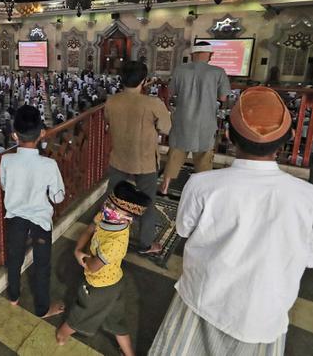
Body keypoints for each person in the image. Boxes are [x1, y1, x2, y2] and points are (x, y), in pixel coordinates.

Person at [149, 87, 313, 355]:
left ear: (227, 135)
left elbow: (182, 228)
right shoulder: (308, 198)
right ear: (290, 137)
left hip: (202, 300)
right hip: (263, 316)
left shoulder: (202, 184)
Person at [56, 181, 151, 356]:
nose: (107, 207)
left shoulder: (116, 242)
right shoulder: (108, 216)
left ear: (128, 215)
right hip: (115, 283)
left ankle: (62, 335)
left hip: (99, 287)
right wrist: (78, 250)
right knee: (116, 321)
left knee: (80, 313)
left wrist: (80, 257)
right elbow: (90, 228)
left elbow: (92, 267)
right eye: (109, 202)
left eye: (114, 206)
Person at [0, 105, 65, 318]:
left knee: (15, 258)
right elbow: (58, 197)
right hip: (40, 220)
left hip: (15, 218)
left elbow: (3, 185)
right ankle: (42, 308)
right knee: (42, 265)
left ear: (14, 135)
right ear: (42, 133)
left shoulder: (6, 160)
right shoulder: (49, 164)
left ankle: (13, 296)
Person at [105, 61, 171, 255]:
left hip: (118, 159)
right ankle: (145, 244)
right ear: (144, 80)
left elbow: (108, 120)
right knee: (148, 203)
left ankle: (108, 236)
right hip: (145, 163)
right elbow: (166, 128)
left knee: (113, 199)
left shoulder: (111, 101)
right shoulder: (153, 104)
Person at [158, 41, 231, 196]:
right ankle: (202, 192)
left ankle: (165, 186)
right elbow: (224, 97)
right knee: (204, 157)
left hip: (183, 120)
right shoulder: (218, 72)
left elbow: (170, 93)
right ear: (210, 55)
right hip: (206, 122)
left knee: (175, 154)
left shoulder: (180, 70)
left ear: (192, 55)